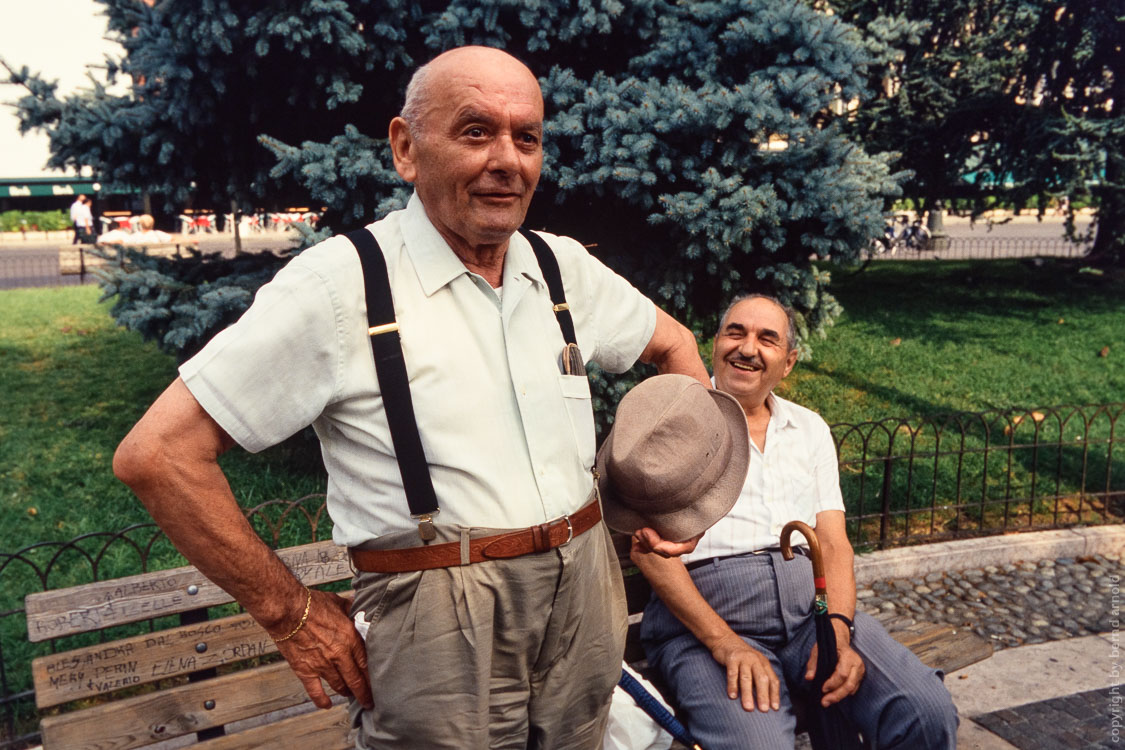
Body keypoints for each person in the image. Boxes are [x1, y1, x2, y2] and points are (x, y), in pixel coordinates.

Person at [113, 46, 709, 750]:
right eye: (475, 131)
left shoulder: (558, 266)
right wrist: (291, 614)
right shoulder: (340, 286)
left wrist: (685, 484)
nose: (507, 161)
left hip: (585, 589)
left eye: (527, 137)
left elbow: (674, 346)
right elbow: (157, 455)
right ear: (405, 148)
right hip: (436, 613)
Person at [632, 294, 959, 750]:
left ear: (787, 363)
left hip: (814, 613)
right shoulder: (673, 423)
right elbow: (649, 555)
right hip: (707, 622)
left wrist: (838, 633)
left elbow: (835, 543)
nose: (747, 348)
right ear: (714, 344)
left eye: (767, 340)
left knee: (925, 711)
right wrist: (726, 644)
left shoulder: (809, 429)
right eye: (735, 333)